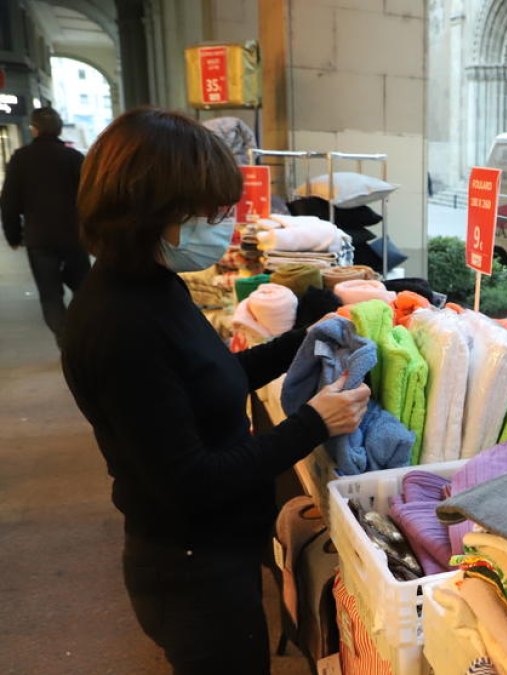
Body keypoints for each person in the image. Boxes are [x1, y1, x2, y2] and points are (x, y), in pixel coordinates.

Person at [60, 108, 371, 674]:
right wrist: (313, 423)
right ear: (154, 209)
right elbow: (192, 481)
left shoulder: (153, 287)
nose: (224, 224)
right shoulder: (119, 326)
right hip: (189, 572)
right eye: (211, 212)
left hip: (213, 553)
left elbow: (213, 378)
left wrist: (306, 336)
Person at [1, 107, 90, 347]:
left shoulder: (21, 158)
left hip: (39, 240)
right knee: (84, 289)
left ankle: (65, 339)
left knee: (50, 295)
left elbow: (9, 203)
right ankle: (85, 332)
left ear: (34, 129)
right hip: (73, 237)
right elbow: (89, 197)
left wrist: (13, 236)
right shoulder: (74, 158)